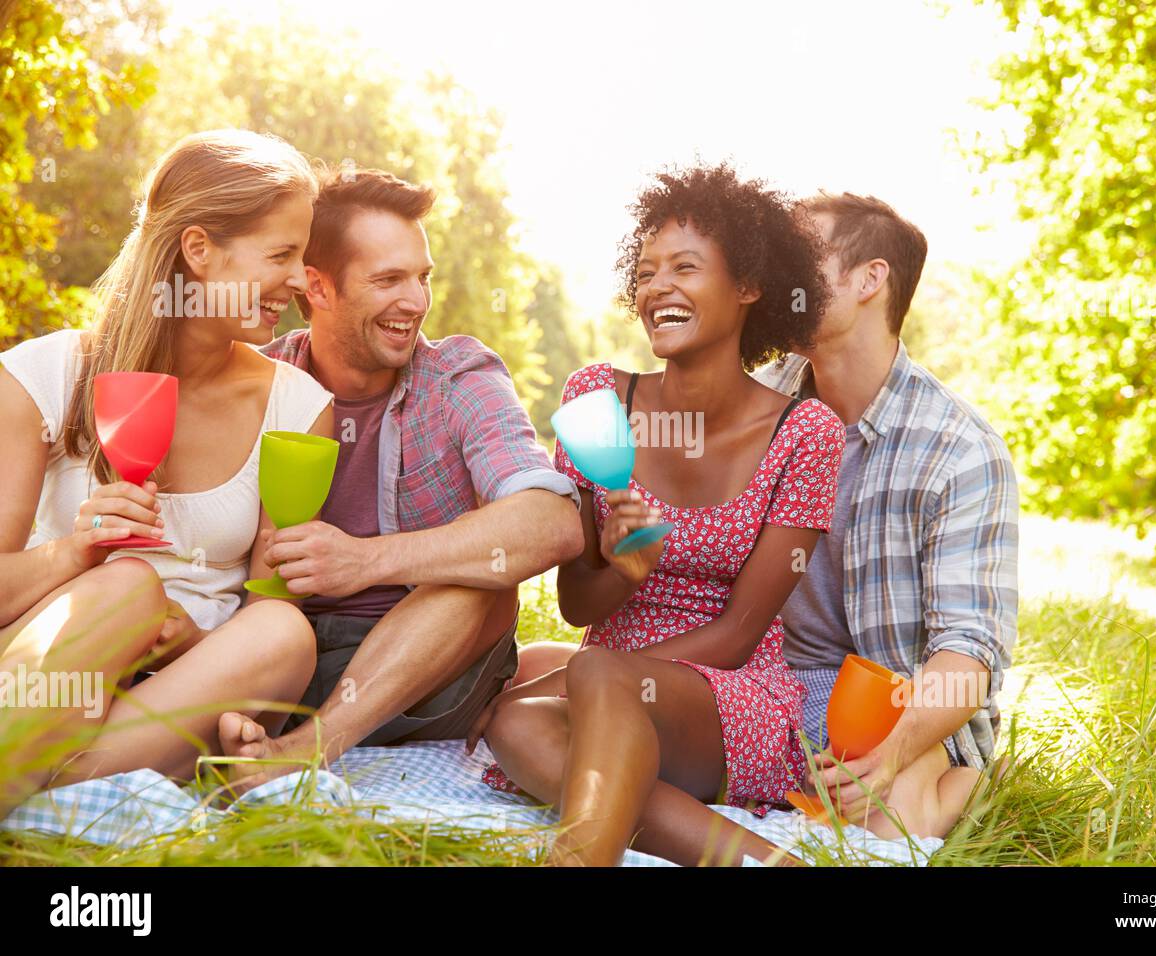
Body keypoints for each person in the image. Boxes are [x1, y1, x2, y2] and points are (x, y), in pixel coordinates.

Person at [470, 163, 846, 867]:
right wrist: (622, 572)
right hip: (608, 681)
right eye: (645, 272)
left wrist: (584, 678)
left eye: (684, 267)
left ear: (748, 286)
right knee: (516, 725)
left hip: (729, 697)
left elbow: (739, 633)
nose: (657, 288)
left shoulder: (804, 432)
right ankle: (765, 863)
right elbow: (579, 606)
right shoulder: (598, 401)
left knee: (581, 687)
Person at [215, 165, 585, 788]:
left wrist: (366, 561)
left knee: (481, 573)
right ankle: (251, 728)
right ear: (318, 287)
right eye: (389, 279)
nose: (415, 301)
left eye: (422, 277)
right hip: (282, 654)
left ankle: (310, 748)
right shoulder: (258, 378)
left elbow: (553, 523)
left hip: (433, 673)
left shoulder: (459, 377)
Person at [0, 129, 332, 817]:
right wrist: (76, 553)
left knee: (285, 633)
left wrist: (195, 640)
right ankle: (46, 784)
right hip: (46, 663)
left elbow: (271, 601)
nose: (301, 282)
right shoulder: (45, 375)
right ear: (200, 250)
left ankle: (31, 784)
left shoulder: (297, 407)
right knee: (126, 585)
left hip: (181, 684)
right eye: (283, 255)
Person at [755, 192, 1019, 838]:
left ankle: (958, 782)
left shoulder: (959, 449)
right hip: (758, 681)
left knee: (885, 823)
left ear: (870, 279)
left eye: (802, 259)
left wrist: (891, 753)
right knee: (553, 682)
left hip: (891, 709)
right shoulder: (759, 401)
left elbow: (968, 652)